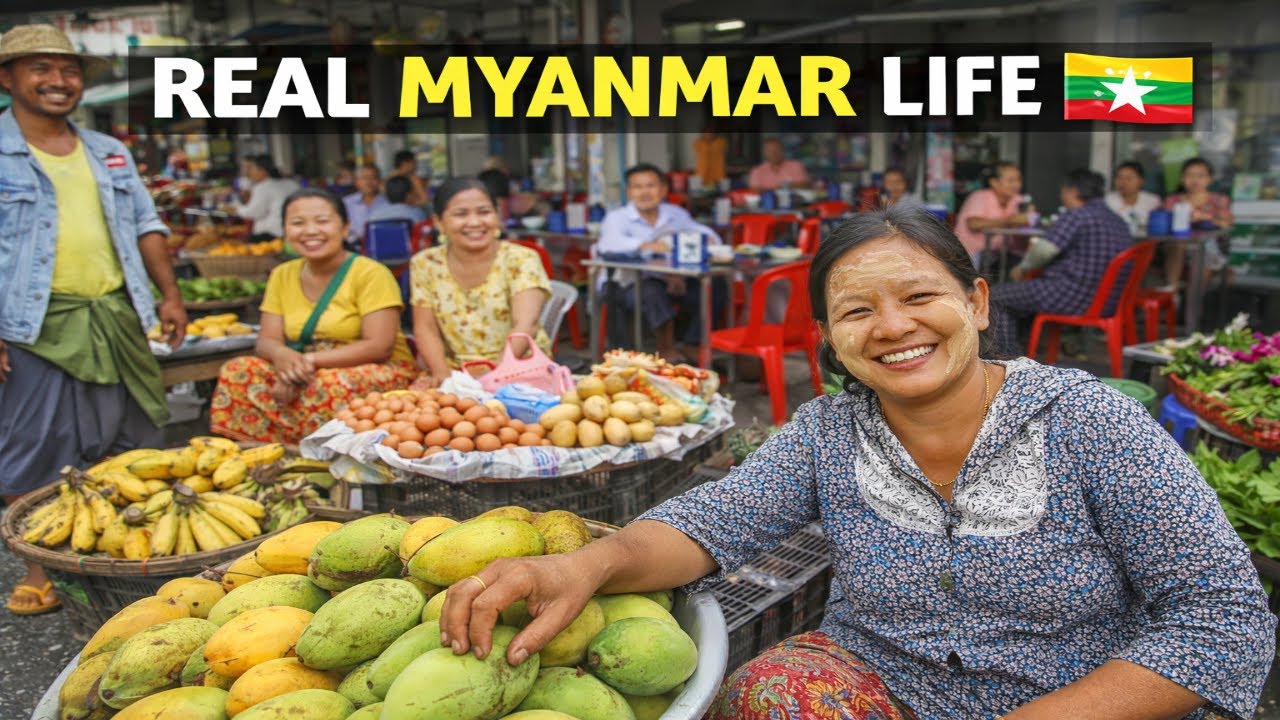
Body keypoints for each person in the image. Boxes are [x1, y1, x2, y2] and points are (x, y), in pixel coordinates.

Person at [438, 203, 1275, 720]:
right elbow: (707, 522)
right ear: (830, 340)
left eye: (919, 297)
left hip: (1087, 700)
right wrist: (588, 564)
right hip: (887, 686)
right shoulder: (830, 433)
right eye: (856, 311)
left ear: (975, 304)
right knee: (766, 692)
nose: (892, 327)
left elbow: (1225, 622)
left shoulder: (1089, 423)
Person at [0, 25, 187, 614]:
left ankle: (127, 559)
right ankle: (42, 566)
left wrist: (170, 295)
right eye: (40, 69)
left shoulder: (110, 150)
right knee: (33, 446)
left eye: (69, 70)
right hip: (31, 324)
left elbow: (145, 225)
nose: (58, 81)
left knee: (134, 437)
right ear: (7, 78)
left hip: (115, 312)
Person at [210, 188, 417, 444]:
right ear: (285, 230)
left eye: (322, 221)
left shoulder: (370, 273)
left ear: (345, 227)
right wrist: (284, 358)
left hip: (372, 367)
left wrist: (306, 364)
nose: (310, 231)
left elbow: (379, 346)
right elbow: (266, 340)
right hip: (303, 365)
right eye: (298, 223)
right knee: (237, 371)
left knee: (328, 385)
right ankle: (270, 454)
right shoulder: (282, 274)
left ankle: (322, 459)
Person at [409, 177, 551, 386]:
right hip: (454, 373)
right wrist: (444, 377)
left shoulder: (521, 259)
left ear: (498, 216)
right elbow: (425, 328)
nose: (475, 222)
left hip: (519, 369)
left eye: (484, 212)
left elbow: (526, 324)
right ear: (438, 222)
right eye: (461, 214)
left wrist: (492, 380)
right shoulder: (425, 263)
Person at [989, 168, 1132, 350]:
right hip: (1106, 300)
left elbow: (1044, 251)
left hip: (1070, 294)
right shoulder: (1118, 221)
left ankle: (1009, 361)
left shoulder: (1077, 215)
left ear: (1073, 191)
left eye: (1063, 191)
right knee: (1016, 298)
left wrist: (1022, 268)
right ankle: (1019, 353)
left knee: (995, 297)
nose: (1062, 197)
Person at [595, 163, 725, 363]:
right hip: (623, 284)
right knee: (651, 291)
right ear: (629, 191)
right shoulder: (617, 218)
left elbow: (702, 232)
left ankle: (693, 342)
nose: (644, 192)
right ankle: (666, 348)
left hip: (667, 279)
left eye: (650, 186)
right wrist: (648, 245)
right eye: (637, 187)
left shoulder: (674, 214)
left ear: (663, 189)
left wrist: (707, 240)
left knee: (714, 285)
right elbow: (608, 246)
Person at [1160, 157, 1233, 292]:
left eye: (1200, 176)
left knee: (1204, 248)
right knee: (1178, 243)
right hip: (1178, 247)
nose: (1195, 180)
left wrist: (1207, 219)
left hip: (1210, 248)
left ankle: (1194, 298)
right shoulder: (1173, 201)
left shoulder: (1219, 200)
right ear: (1182, 178)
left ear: (1210, 179)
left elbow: (1227, 224)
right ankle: (1172, 290)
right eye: (1190, 175)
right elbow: (1165, 224)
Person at [953, 161, 1029, 268]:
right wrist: (1009, 220)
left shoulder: (1018, 200)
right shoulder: (980, 197)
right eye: (1011, 180)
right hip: (972, 253)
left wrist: (1029, 217)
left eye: (1019, 180)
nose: (1017, 185)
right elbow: (974, 224)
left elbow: (1028, 221)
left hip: (1000, 253)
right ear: (994, 182)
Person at [233, 154, 300, 242]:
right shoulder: (292, 184)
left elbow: (255, 212)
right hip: (292, 231)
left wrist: (236, 209)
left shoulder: (263, 187)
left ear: (262, 170)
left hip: (271, 234)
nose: (250, 173)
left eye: (252, 169)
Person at [1104, 161, 1162, 235]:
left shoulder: (1153, 201)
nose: (1123, 182)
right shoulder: (1108, 200)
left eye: (1129, 178)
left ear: (1141, 181)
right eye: (1119, 178)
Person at [343, 164, 389, 243]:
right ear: (356, 181)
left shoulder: (389, 202)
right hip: (353, 246)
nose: (369, 182)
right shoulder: (346, 203)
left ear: (380, 181)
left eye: (373, 177)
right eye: (364, 178)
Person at [693, 123, 727, 187]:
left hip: (717, 175)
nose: (709, 134)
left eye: (711, 132)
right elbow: (703, 151)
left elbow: (716, 149)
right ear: (703, 133)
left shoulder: (721, 142)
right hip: (702, 174)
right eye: (707, 132)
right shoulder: (698, 143)